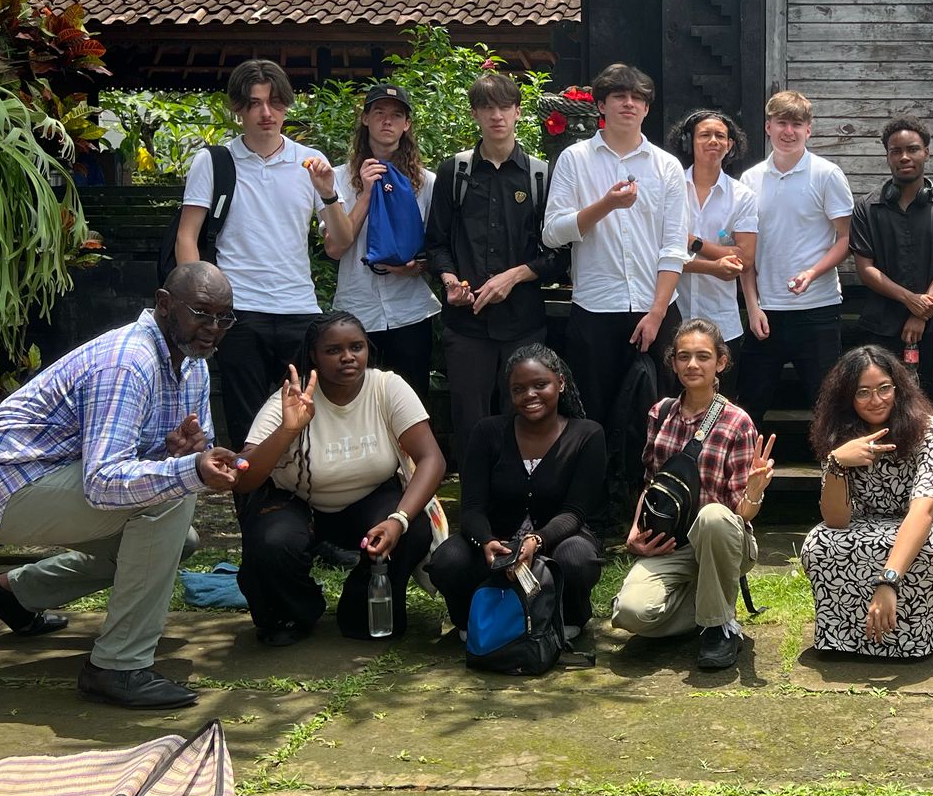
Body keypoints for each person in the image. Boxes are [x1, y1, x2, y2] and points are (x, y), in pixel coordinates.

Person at [0, 263, 242, 709]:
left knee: (180, 539)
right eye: (201, 313)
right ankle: (117, 668)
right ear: (164, 304)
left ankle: (12, 594)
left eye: (224, 318)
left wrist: (181, 455)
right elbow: (105, 480)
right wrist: (188, 471)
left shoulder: (193, 364)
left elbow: (160, 461)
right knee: (171, 498)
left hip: (48, 479)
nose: (213, 329)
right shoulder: (130, 360)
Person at [175, 60, 352, 479]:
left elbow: (340, 244)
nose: (266, 113)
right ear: (239, 109)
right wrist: (199, 309)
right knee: (246, 426)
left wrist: (328, 194)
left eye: (275, 102)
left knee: (309, 420)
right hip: (239, 313)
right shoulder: (214, 162)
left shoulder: (310, 162)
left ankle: (307, 513)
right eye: (254, 104)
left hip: (299, 309)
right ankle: (254, 519)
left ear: (287, 106)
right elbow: (188, 236)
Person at [235, 311, 447, 645]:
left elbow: (431, 459)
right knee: (271, 544)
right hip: (297, 502)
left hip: (370, 499)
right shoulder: (290, 398)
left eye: (357, 347)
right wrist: (288, 430)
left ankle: (361, 599)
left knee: (412, 528)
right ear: (313, 355)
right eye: (333, 350)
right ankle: (296, 610)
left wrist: (398, 519)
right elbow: (243, 479)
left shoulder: (386, 387)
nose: (348, 357)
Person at [611, 319, 779, 671]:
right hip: (672, 543)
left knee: (713, 516)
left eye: (703, 356)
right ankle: (709, 604)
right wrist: (632, 533)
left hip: (724, 541)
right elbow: (652, 482)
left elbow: (740, 516)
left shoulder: (738, 422)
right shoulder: (660, 414)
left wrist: (754, 492)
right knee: (631, 614)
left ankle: (719, 627)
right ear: (672, 362)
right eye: (684, 356)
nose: (692, 365)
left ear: (721, 362)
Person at [426, 70, 568, 458]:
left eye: (505, 106)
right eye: (487, 108)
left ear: (519, 112)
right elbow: (436, 243)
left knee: (528, 416)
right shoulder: (454, 171)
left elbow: (558, 255)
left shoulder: (540, 175)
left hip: (523, 320)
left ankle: (524, 505)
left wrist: (516, 275)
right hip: (466, 321)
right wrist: (450, 279)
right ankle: (475, 509)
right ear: (475, 114)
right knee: (470, 422)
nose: (497, 116)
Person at [542, 63, 689, 436]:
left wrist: (657, 313)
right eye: (619, 96)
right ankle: (599, 492)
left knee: (663, 414)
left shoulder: (667, 166)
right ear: (601, 106)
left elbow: (674, 246)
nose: (629, 103)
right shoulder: (575, 159)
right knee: (593, 416)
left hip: (655, 308)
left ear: (647, 108)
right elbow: (552, 234)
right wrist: (605, 205)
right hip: (595, 309)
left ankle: (653, 492)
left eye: (637, 98)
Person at [428, 345, 608, 643]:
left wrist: (537, 540)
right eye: (519, 389)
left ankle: (568, 616)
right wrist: (487, 541)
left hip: (556, 540)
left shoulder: (586, 435)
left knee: (577, 558)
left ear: (560, 383)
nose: (530, 395)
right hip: (496, 543)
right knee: (449, 559)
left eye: (540, 385)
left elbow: (575, 511)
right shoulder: (488, 432)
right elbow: (472, 507)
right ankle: (470, 617)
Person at [801, 346, 933, 658]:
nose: (876, 400)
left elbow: (925, 508)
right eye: (863, 392)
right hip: (860, 525)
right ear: (847, 396)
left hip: (916, 523)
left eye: (884, 388)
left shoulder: (927, 429)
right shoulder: (838, 433)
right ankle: (843, 637)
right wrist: (837, 463)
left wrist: (888, 580)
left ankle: (913, 636)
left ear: (898, 388)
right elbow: (836, 520)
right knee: (819, 543)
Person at [738, 90, 855, 421]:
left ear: (809, 129)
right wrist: (752, 306)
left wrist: (812, 272)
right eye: (782, 123)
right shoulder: (750, 180)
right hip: (766, 312)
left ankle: (834, 471)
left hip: (817, 310)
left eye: (797, 124)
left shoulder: (826, 174)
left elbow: (846, 238)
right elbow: (746, 251)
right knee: (750, 403)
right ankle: (749, 472)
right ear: (768, 126)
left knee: (829, 406)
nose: (788, 132)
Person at [328, 84, 440, 399]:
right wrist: (365, 192)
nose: (387, 121)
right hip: (357, 310)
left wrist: (415, 266)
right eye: (379, 113)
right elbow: (335, 248)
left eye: (396, 115)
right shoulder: (338, 179)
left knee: (410, 403)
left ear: (407, 125)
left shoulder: (427, 182)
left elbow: (438, 245)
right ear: (365, 119)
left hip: (410, 311)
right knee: (357, 404)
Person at [850, 116, 933, 410]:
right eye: (896, 150)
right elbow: (866, 268)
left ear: (926, 152)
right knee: (882, 407)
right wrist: (909, 299)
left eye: (913, 149)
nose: (904, 157)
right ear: (887, 155)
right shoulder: (867, 207)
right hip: (882, 325)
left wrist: (922, 313)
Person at [670, 109, 759, 380]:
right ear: (689, 142)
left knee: (722, 404)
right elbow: (656, 254)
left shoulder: (742, 196)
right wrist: (714, 264)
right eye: (705, 135)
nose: (713, 141)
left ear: (730, 144)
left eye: (720, 136)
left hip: (722, 320)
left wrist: (692, 242)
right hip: (673, 315)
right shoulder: (669, 188)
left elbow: (745, 257)